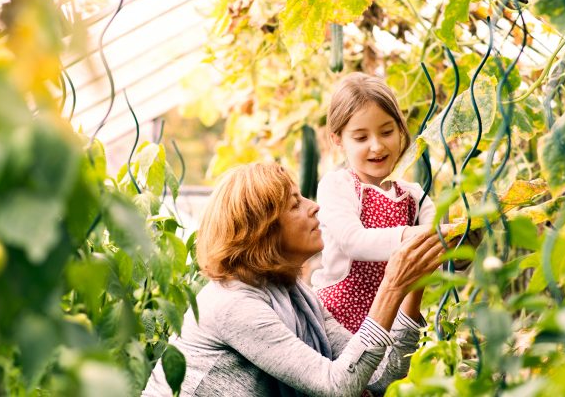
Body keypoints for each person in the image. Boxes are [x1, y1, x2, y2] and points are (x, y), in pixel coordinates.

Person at [142, 162, 445, 396]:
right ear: (263, 230)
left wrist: (414, 282)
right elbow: (337, 387)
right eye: (295, 204)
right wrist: (391, 286)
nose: (314, 207)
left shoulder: (295, 294)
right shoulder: (233, 304)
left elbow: (380, 377)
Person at [312, 73, 450, 333]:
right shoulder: (338, 186)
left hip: (391, 326)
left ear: (400, 129)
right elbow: (354, 241)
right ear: (338, 139)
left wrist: (459, 244)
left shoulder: (414, 196)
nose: (376, 146)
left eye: (386, 132)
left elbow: (437, 256)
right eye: (361, 138)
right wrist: (417, 235)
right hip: (334, 325)